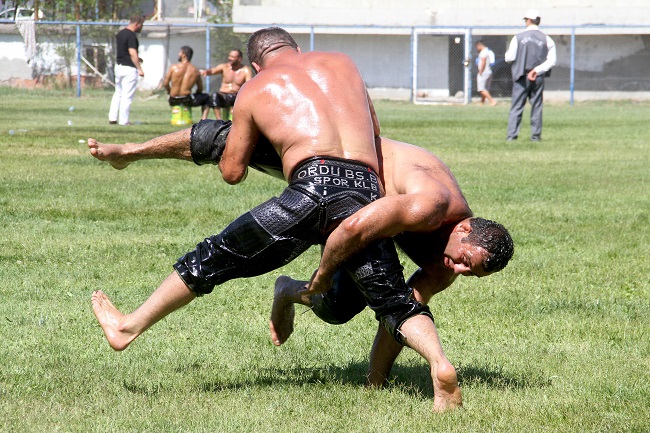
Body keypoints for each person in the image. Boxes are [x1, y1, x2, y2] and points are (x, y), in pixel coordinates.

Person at [89, 27, 465, 412]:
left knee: (212, 258)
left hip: (310, 188)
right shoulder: (344, 64)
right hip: (366, 191)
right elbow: (374, 131)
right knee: (394, 302)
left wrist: (259, 139)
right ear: (297, 48)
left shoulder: (256, 88)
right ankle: (439, 364)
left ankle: (127, 327)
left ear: (254, 64)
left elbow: (232, 172)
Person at [268, 136, 514, 387]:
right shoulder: (432, 206)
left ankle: (287, 289)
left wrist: (375, 384)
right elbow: (353, 229)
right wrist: (323, 275)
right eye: (465, 260)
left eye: (470, 273)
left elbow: (402, 315)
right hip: (344, 161)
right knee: (341, 303)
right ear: (463, 229)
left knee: (338, 307)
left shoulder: (444, 268)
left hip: (378, 213)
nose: (459, 269)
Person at [505, 9, 557, 142]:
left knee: (517, 107)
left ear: (528, 20)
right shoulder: (547, 39)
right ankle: (535, 136)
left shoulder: (518, 37)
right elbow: (552, 61)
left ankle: (511, 136)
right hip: (538, 77)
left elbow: (509, 57)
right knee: (537, 106)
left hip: (521, 76)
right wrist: (537, 70)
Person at [108, 14, 145, 126]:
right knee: (127, 95)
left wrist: (137, 59)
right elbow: (132, 53)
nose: (141, 27)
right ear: (137, 24)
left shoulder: (120, 33)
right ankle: (124, 120)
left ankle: (112, 118)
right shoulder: (131, 36)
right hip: (129, 69)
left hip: (119, 67)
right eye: (141, 25)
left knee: (118, 93)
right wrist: (140, 69)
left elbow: (124, 52)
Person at [200, 49, 253, 120]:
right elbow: (213, 71)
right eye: (229, 56)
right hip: (222, 97)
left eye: (232, 57)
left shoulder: (245, 70)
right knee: (213, 96)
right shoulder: (224, 67)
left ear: (239, 59)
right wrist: (206, 71)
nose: (229, 58)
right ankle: (218, 120)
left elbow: (249, 85)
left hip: (236, 97)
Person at [163, 46, 212, 120]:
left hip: (173, 99)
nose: (178, 54)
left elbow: (165, 83)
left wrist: (170, 92)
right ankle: (203, 119)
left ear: (184, 55)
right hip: (187, 100)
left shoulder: (173, 67)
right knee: (207, 97)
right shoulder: (195, 71)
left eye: (180, 52)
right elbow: (200, 88)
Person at [475, 40, 497, 106]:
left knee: (481, 89)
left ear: (479, 45)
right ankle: (482, 102)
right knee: (485, 88)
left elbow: (483, 62)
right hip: (489, 71)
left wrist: (480, 72)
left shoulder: (483, 52)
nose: (476, 49)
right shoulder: (488, 51)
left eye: (476, 47)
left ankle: (492, 101)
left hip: (484, 72)